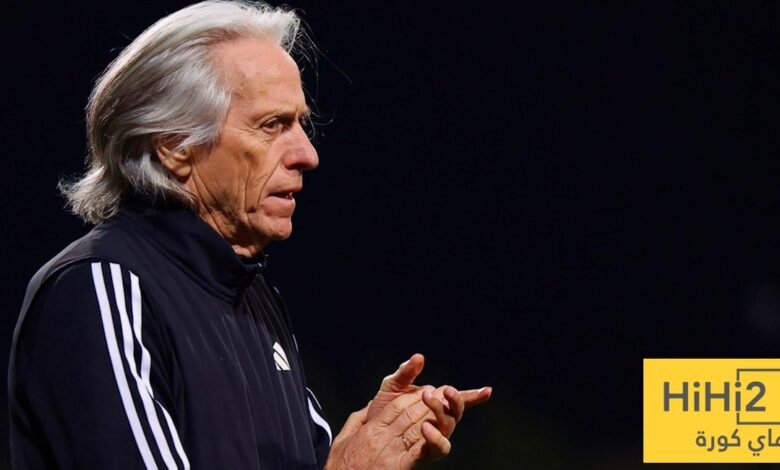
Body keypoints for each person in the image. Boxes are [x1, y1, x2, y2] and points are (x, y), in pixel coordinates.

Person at [8, 1, 491, 469]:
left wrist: (373, 444)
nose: (307, 154)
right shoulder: (101, 286)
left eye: (300, 123)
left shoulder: (253, 298)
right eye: (272, 125)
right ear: (175, 145)